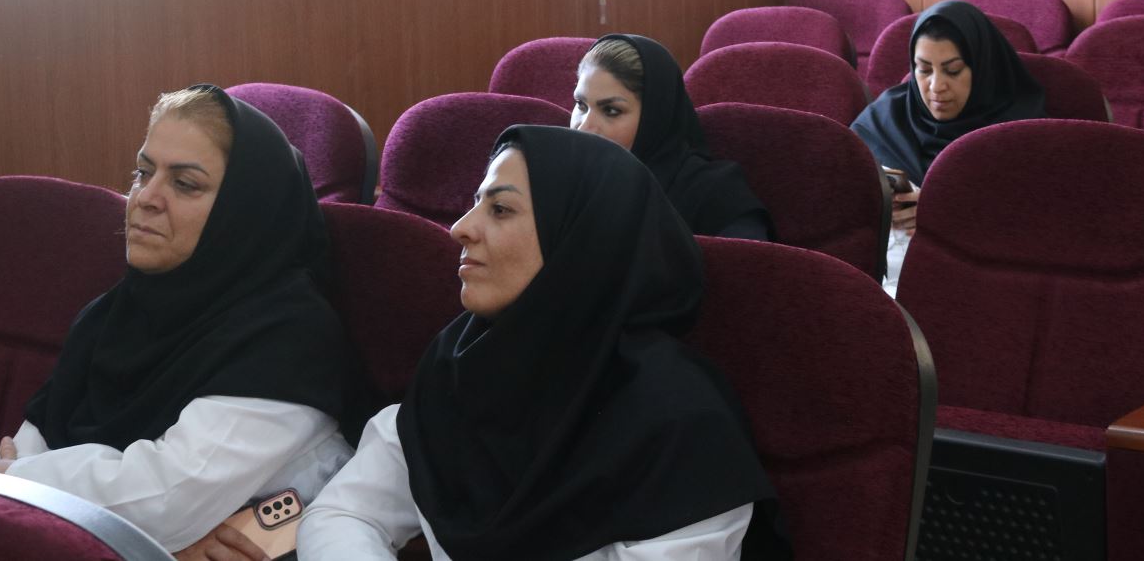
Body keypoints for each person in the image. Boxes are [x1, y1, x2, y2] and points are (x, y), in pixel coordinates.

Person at [298, 125, 790, 561]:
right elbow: (342, 514)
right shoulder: (462, 362)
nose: (460, 228)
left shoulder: (682, 424)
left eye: (500, 209)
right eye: (475, 204)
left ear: (580, 237)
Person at [0, 86, 358, 561]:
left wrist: (18, 485)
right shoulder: (112, 312)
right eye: (143, 173)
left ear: (244, 208)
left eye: (184, 184)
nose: (146, 197)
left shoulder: (289, 337)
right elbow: (22, 453)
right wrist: (19, 487)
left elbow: (164, 499)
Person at [852, 1, 1045, 289]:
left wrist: (943, 212)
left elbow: (1035, 223)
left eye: (953, 71)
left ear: (982, 68)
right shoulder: (883, 121)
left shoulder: (1023, 133)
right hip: (886, 282)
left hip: (988, 286)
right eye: (923, 70)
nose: (936, 86)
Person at [570, 34, 772, 240]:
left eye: (611, 110)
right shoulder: (566, 182)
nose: (584, 128)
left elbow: (749, 259)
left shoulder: (715, 193)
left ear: (654, 117)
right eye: (581, 105)